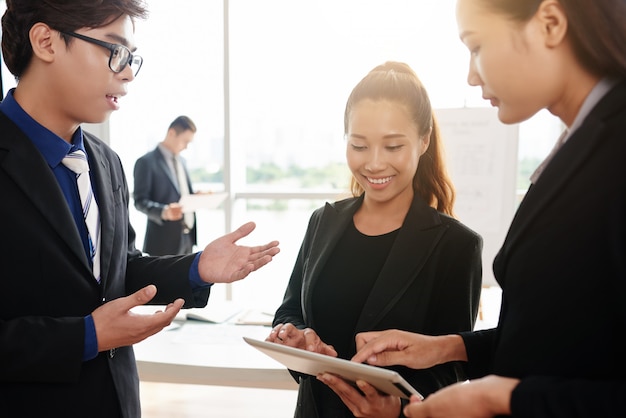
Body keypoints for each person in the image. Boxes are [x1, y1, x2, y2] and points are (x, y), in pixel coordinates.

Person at [0, 1, 279, 417]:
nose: (127, 72)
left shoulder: (106, 162)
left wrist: (196, 268)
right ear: (46, 41)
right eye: (114, 51)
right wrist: (87, 336)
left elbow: (119, 271)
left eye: (132, 58)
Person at [351, 0, 626, 417]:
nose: (471, 74)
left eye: (476, 46)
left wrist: (500, 399)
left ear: (550, 24)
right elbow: (566, 338)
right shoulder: (580, 145)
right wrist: (450, 347)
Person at [266, 61, 483, 418]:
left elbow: (452, 367)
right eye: (360, 145)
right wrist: (297, 338)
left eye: (393, 146)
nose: (375, 164)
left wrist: (397, 410)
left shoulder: (456, 245)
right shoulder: (323, 222)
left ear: (424, 140)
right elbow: (290, 311)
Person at [134, 115, 199, 255]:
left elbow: (181, 194)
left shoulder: (182, 161)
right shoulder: (146, 162)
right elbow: (140, 201)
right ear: (171, 133)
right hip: (162, 242)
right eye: (185, 141)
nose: (186, 147)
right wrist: (164, 212)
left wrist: (197, 196)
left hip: (187, 237)